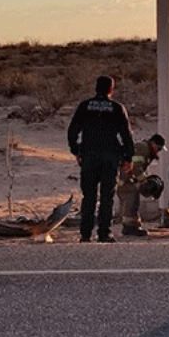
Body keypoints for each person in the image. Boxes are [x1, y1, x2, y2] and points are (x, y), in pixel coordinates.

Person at [67, 75, 134, 243]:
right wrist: (128, 156)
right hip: (110, 157)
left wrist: (76, 150)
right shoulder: (117, 108)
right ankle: (105, 233)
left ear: (96, 88)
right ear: (111, 89)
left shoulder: (85, 106)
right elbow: (126, 134)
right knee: (107, 196)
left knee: (88, 196)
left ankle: (85, 233)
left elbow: (72, 131)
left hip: (89, 156)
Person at [117, 133, 165, 237]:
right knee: (130, 203)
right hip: (126, 180)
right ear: (153, 143)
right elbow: (135, 167)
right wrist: (144, 181)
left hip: (128, 179)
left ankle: (132, 226)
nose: (159, 151)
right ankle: (129, 227)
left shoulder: (145, 149)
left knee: (133, 202)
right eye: (159, 148)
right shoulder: (143, 148)